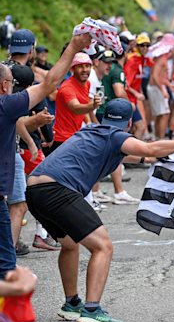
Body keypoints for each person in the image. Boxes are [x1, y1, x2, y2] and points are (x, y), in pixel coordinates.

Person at [26, 98, 174, 322]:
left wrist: (168, 154)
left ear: (104, 117)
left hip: (34, 189)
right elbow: (149, 148)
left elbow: (145, 155)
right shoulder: (117, 136)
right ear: (129, 123)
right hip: (57, 189)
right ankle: (91, 311)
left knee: (70, 244)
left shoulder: (92, 130)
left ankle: (72, 304)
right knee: (103, 246)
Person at [0, 32, 92, 279]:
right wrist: (73, 46)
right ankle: (9, 272)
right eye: (9, 85)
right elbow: (50, 85)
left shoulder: (8, 90)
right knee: (18, 209)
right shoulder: (7, 103)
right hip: (9, 172)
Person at [13, 65, 60, 251]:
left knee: (15, 197)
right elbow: (45, 118)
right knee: (42, 188)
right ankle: (42, 234)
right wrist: (49, 138)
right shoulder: (31, 94)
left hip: (16, 149)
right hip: (28, 148)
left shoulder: (7, 93)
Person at [52, 53, 101, 152]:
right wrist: (93, 106)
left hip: (76, 136)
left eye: (87, 66)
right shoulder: (67, 87)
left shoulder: (87, 83)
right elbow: (75, 108)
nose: (85, 70)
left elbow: (83, 104)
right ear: (72, 69)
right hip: (62, 139)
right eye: (80, 66)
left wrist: (88, 122)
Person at [124, 34, 153, 140]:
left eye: (147, 45)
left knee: (136, 128)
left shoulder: (140, 59)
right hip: (128, 99)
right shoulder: (132, 61)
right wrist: (136, 93)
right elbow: (125, 83)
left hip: (133, 100)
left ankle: (132, 153)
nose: (145, 48)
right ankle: (133, 153)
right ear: (136, 46)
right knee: (140, 126)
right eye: (142, 45)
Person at [147, 33, 174, 139]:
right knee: (164, 115)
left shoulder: (163, 57)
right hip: (156, 88)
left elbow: (161, 77)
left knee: (162, 114)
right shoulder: (161, 58)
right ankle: (161, 140)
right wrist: (163, 91)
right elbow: (154, 76)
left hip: (157, 87)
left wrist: (169, 85)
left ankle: (159, 139)